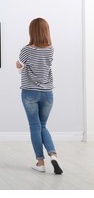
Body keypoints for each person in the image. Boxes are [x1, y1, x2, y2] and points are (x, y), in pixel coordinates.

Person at [16, 18, 62, 174]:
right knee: (42, 126)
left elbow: (19, 65)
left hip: (30, 93)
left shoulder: (27, 50)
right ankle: (53, 154)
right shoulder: (51, 49)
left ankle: (40, 162)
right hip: (48, 94)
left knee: (35, 127)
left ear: (32, 31)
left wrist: (21, 67)